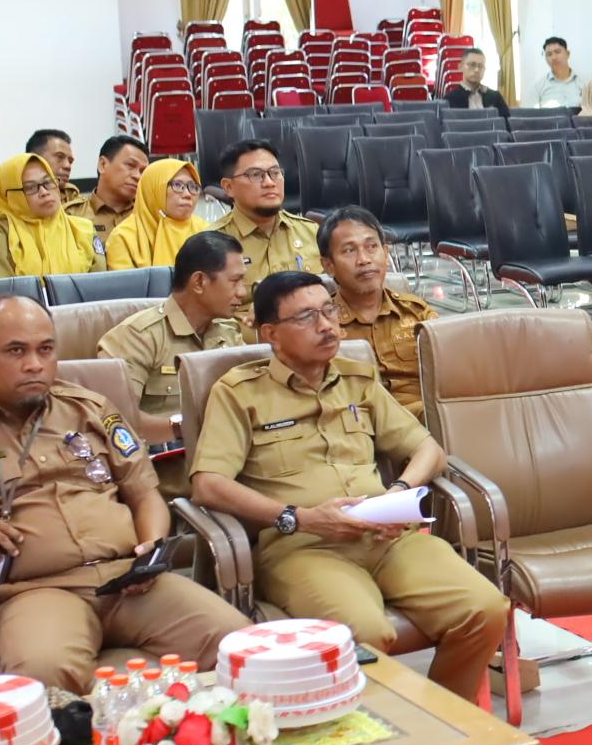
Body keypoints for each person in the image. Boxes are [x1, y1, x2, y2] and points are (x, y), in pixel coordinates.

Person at [0, 295, 247, 692]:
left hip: (129, 581)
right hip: (37, 592)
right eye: (16, 351)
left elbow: (144, 492)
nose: (35, 364)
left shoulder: (90, 409)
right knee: (44, 674)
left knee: (238, 646)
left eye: (45, 349)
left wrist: (150, 547)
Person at [189, 272, 511, 704]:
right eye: (306, 317)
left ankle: (442, 715)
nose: (327, 325)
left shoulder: (358, 380)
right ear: (271, 334)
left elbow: (428, 449)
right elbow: (208, 485)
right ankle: (377, 732)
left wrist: (398, 492)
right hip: (305, 546)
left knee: (486, 608)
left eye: (329, 311)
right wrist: (301, 518)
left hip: (388, 537)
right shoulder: (239, 393)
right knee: (365, 634)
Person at [98, 232, 249, 494]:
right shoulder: (138, 337)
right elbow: (113, 420)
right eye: (235, 281)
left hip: (234, 468)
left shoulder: (228, 332)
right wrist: (184, 427)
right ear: (199, 282)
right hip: (166, 481)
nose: (243, 293)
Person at [321, 207, 438, 418]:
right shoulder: (322, 325)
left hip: (426, 420)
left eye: (372, 247)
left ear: (385, 253)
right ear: (328, 265)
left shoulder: (417, 313)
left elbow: (451, 374)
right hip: (357, 422)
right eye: (349, 250)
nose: (364, 259)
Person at [208, 140, 318, 315]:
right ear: (229, 187)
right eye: (255, 175)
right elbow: (205, 315)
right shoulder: (213, 244)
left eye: (275, 173)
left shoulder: (311, 232)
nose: (269, 182)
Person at [0, 152, 96, 279]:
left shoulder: (83, 229)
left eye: (48, 182)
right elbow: (3, 287)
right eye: (30, 188)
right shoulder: (1, 231)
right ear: (12, 196)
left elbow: (101, 285)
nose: (44, 192)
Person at [103, 157, 207, 273]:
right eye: (177, 185)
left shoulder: (205, 231)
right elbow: (124, 283)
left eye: (193, 187)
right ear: (153, 188)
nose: (187, 194)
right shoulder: (123, 237)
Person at [87, 135, 150, 255]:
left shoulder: (148, 216)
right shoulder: (73, 215)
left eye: (143, 171)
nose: (138, 176)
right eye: (130, 165)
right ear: (103, 165)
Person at [26, 130, 92, 224]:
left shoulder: (80, 203)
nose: (68, 166)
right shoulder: (12, 201)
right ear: (34, 158)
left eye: (70, 161)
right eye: (60, 157)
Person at [444, 48, 507, 113]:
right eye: (472, 65)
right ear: (460, 67)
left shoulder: (495, 97)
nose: (476, 70)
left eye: (481, 66)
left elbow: (506, 119)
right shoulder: (450, 98)